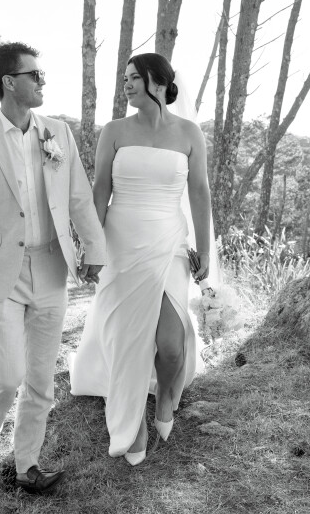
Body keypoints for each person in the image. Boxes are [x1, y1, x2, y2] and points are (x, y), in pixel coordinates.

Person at [0, 42, 106, 493]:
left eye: (41, 74)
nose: (41, 81)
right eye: (33, 75)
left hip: (51, 267)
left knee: (40, 378)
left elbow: (78, 196)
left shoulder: (58, 133)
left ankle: (27, 466)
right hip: (1, 273)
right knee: (9, 374)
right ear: (9, 83)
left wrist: (94, 247)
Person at [69, 52, 212, 465]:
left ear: (158, 83)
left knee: (170, 346)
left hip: (168, 244)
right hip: (121, 245)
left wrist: (204, 249)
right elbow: (100, 190)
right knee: (127, 340)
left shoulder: (189, 133)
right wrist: (92, 246)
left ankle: (165, 396)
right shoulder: (114, 131)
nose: (127, 85)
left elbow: (199, 192)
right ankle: (133, 424)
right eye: (125, 78)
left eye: (134, 78)